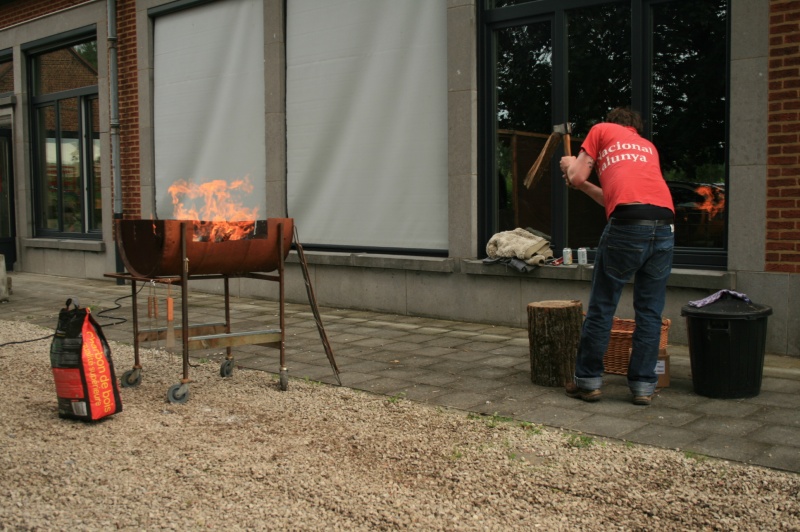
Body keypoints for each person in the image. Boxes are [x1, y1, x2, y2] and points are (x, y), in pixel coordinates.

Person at [559, 107, 675, 406]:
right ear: (635, 127)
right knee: (649, 312)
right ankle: (643, 387)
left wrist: (571, 164)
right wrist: (581, 182)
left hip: (627, 226)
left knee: (602, 307)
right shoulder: (648, 147)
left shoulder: (601, 129)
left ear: (612, 123)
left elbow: (576, 176)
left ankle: (589, 382)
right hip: (663, 226)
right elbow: (610, 198)